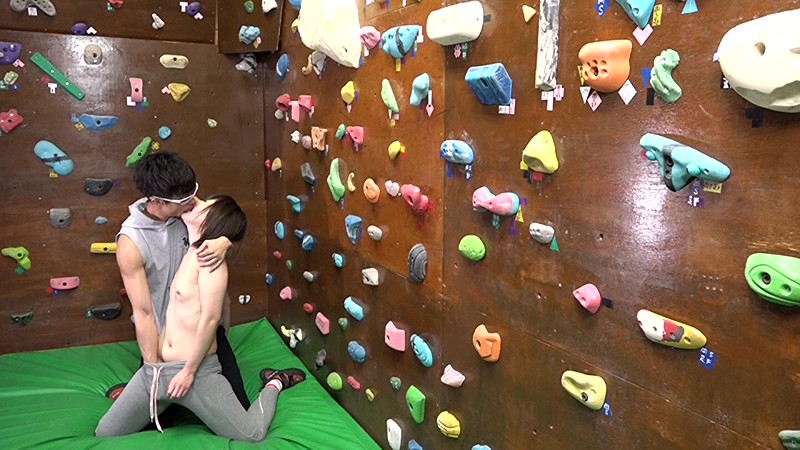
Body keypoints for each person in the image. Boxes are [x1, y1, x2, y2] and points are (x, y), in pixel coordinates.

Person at [96, 196, 306, 442]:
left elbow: (210, 320)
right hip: (157, 369)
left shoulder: (211, 262)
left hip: (195, 373)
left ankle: (275, 383)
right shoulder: (188, 247)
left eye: (204, 204)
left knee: (252, 434)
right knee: (105, 432)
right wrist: (224, 237)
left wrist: (188, 372)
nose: (195, 202)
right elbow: (163, 197)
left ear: (213, 220)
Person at [112, 152, 250, 410]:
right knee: (157, 414)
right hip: (164, 336)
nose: (193, 203)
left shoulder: (187, 211)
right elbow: (144, 313)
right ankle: (137, 385)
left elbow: (227, 219)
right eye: (185, 200)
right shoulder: (131, 242)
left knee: (239, 406)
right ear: (157, 201)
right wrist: (153, 369)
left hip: (204, 330)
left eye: (193, 194)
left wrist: (225, 241)